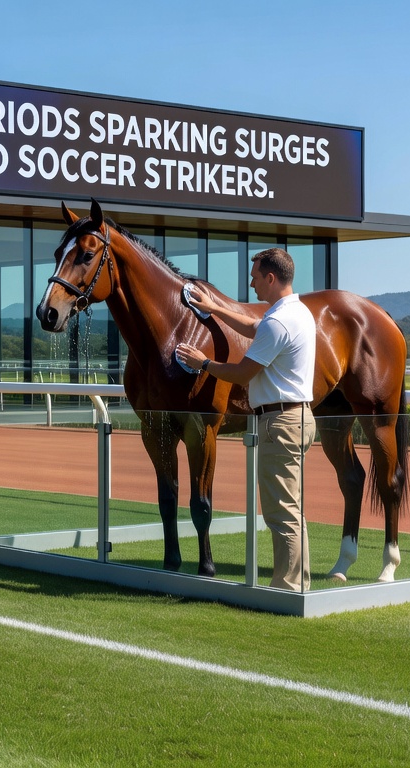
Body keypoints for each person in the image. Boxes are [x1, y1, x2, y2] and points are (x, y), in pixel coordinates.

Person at [174, 248, 317, 591]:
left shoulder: (279, 321)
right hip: (297, 418)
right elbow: (255, 326)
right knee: (291, 509)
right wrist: (216, 309)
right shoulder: (296, 312)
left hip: (280, 423)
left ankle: (287, 588)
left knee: (281, 512)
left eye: (254, 277)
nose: (251, 284)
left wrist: (203, 363)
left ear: (271, 278)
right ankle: (298, 582)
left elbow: (241, 373)